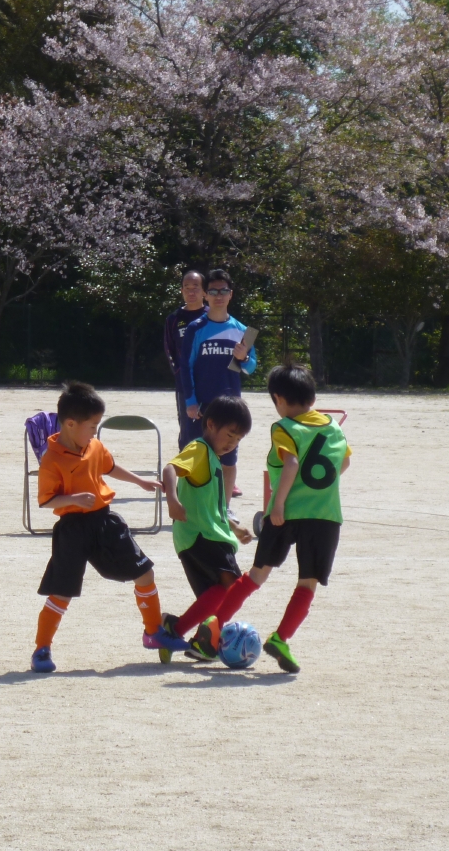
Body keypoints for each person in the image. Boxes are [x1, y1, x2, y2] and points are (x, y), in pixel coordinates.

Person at [31, 381, 190, 673]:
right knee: (62, 591)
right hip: (72, 529)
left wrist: (140, 481)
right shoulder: (51, 459)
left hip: (105, 521)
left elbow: (109, 466)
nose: (95, 431)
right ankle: (42, 649)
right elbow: (46, 501)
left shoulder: (94, 446)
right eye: (92, 426)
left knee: (144, 572)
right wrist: (73, 499)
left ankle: (153, 632)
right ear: (70, 424)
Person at [212, 364, 351, 674]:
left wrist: (278, 505)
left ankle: (213, 627)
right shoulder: (334, 427)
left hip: (286, 513)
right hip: (325, 516)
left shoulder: (284, 427)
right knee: (308, 582)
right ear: (312, 397)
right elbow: (344, 463)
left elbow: (291, 464)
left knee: (256, 575)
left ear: (279, 398)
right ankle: (281, 638)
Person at [159, 395, 255, 662]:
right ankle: (203, 640)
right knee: (232, 586)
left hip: (198, 536)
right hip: (203, 535)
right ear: (210, 424)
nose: (232, 443)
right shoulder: (199, 449)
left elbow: (212, 505)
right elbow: (170, 469)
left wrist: (234, 527)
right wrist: (172, 500)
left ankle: (175, 630)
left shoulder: (212, 458)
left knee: (216, 595)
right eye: (230, 434)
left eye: (238, 439)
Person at [179, 269, 257, 510]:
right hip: (201, 407)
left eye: (224, 291)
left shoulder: (242, 330)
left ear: (231, 294)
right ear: (206, 294)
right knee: (196, 457)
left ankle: (224, 510)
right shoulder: (195, 328)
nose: (219, 296)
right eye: (213, 291)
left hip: (231, 407)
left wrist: (244, 358)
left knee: (228, 461)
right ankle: (194, 509)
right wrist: (190, 401)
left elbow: (251, 368)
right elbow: (186, 367)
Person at [163, 269, 208, 451]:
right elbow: (169, 350)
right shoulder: (173, 319)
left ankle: (214, 466)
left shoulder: (211, 316)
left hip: (210, 381)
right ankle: (186, 465)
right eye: (186, 287)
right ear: (181, 290)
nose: (191, 292)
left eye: (195, 287)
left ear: (204, 291)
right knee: (188, 429)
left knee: (213, 428)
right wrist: (180, 374)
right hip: (185, 385)